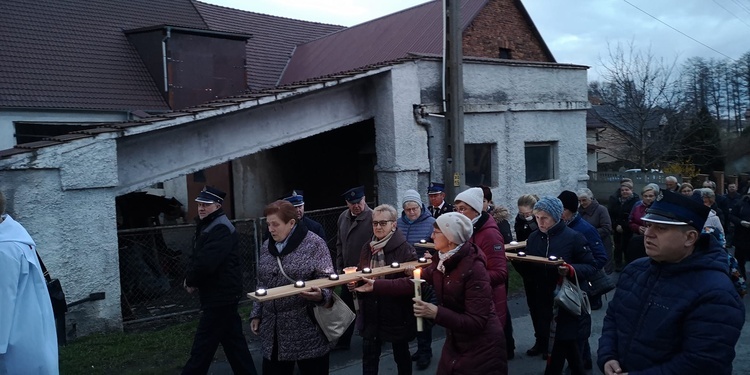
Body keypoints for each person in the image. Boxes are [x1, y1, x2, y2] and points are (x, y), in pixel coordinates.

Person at [597, 190, 745, 375]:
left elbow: (703, 363)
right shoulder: (635, 270)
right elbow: (613, 318)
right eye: (648, 225)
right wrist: (608, 355)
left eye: (661, 228)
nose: (648, 234)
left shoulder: (716, 293)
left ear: (690, 237)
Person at [356, 213, 507, 374]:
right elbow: (411, 283)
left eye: (436, 232)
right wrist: (376, 285)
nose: (431, 235)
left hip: (483, 347)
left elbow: (476, 322)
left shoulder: (474, 269)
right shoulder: (442, 260)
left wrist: (435, 312)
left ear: (450, 238)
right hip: (457, 341)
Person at [511, 197, 596, 374]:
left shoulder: (573, 237)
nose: (540, 222)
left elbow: (591, 266)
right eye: (537, 217)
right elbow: (530, 269)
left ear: (557, 217)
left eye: (545, 218)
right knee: (566, 344)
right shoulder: (534, 237)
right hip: (543, 299)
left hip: (566, 301)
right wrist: (518, 261)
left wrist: (570, 270)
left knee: (561, 342)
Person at [250, 200, 335, 375]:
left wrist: (321, 295)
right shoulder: (267, 246)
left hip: (306, 329)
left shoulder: (314, 244)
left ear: (291, 223)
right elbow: (262, 282)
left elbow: (326, 278)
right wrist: (257, 313)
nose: (271, 229)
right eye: (268, 224)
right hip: (273, 331)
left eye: (275, 224)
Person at [183, 187, 257, 375]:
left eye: (206, 205)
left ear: (217, 205)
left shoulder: (220, 227)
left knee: (203, 345)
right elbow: (199, 257)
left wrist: (191, 281)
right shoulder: (211, 224)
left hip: (220, 295)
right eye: (199, 204)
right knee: (234, 344)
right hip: (222, 294)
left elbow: (207, 262)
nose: (201, 208)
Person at [0, 191, 59, 374]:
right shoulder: (16, 237)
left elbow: (2, 305)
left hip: (13, 346)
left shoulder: (4, 249)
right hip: (33, 336)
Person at [354, 204, 417, 375]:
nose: (378, 227)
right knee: (369, 358)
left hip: (396, 311)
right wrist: (355, 284)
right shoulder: (367, 247)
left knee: (401, 355)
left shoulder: (405, 249)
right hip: (371, 310)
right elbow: (362, 274)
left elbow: (412, 284)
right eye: (375, 223)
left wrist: (380, 285)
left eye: (383, 223)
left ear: (393, 225)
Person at [558, 190, 608, 370]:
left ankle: (576, 364)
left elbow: (600, 258)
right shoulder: (560, 226)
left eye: (561, 208)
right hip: (565, 285)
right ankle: (583, 359)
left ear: (570, 210)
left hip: (582, 285)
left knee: (579, 327)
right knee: (573, 327)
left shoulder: (585, 228)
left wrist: (574, 269)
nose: (558, 212)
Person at [454, 188, 508, 328]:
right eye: (456, 209)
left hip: (489, 299)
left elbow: (500, 273)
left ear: (476, 210)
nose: (458, 213)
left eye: (463, 209)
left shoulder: (490, 234)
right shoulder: (465, 230)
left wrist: (468, 277)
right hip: (470, 298)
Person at [394, 190, 436, 370]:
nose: (411, 212)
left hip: (424, 274)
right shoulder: (398, 224)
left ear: (421, 206)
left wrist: (432, 254)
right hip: (403, 273)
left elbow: (439, 245)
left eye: (414, 208)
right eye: (408, 209)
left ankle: (425, 350)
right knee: (409, 313)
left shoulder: (431, 223)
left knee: (422, 312)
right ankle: (417, 348)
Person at [334, 185, 373, 350]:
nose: (356, 206)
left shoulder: (373, 217)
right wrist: (339, 266)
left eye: (359, 202)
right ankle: (344, 341)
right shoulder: (343, 217)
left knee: (369, 306)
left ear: (364, 199)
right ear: (347, 203)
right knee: (346, 308)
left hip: (365, 272)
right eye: (352, 203)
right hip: (347, 273)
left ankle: (373, 335)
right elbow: (339, 243)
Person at [577, 188, 614, 274]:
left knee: (603, 270)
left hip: (601, 243)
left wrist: (589, 234)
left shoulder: (601, 210)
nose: (582, 203)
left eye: (584, 200)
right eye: (579, 201)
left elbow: (607, 228)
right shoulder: (579, 211)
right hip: (585, 245)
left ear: (591, 199)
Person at [608, 181, 638, 271]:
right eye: (622, 190)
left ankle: (629, 265)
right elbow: (612, 214)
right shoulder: (617, 201)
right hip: (617, 228)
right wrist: (616, 225)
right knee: (617, 247)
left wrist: (624, 226)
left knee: (628, 247)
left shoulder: (635, 202)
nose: (624, 192)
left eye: (627, 190)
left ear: (631, 190)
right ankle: (618, 264)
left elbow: (632, 216)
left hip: (629, 230)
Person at [625, 183, 659, 262]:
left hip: (654, 239)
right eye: (645, 196)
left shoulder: (659, 209)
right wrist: (638, 227)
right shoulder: (637, 207)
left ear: (655, 197)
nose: (648, 198)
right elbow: (630, 221)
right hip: (637, 237)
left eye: (650, 196)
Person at [730, 193, 750, 280]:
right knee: (739, 261)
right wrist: (741, 222)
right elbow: (731, 216)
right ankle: (741, 280)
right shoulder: (741, 203)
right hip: (741, 237)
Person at [725, 183, 742, 248]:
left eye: (733, 187)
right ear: (728, 188)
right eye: (730, 187)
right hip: (727, 215)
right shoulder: (725, 197)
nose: (732, 188)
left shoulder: (740, 197)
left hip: (736, 216)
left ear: (736, 188)